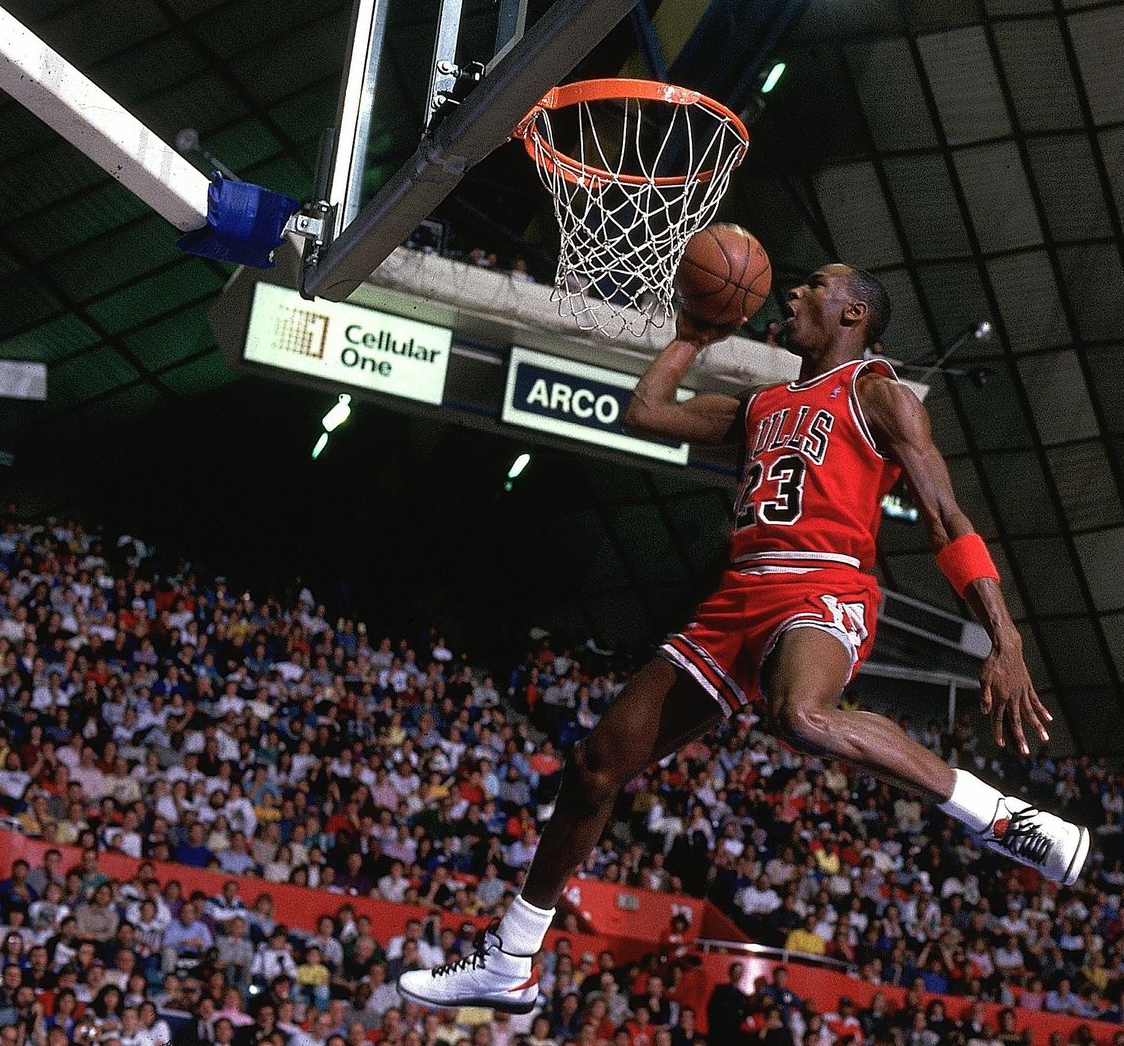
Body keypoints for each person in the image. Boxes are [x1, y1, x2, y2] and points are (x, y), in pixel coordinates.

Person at [397, 264, 1088, 1014]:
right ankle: (510, 960)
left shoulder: (878, 394)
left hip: (823, 584)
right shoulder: (763, 403)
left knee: (800, 715)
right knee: (596, 767)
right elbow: (647, 412)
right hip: (738, 595)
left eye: (813, 285)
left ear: (853, 311)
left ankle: (1000, 819)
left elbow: (946, 517)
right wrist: (690, 337)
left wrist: (1006, 638)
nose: (791, 293)